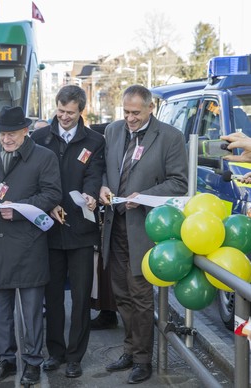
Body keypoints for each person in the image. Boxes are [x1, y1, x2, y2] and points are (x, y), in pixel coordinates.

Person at [99, 85, 188, 384]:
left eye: (136, 113)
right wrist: (102, 188)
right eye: (125, 112)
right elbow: (105, 169)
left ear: (151, 108)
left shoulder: (170, 137)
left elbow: (179, 183)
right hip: (115, 225)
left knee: (139, 295)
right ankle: (129, 349)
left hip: (144, 227)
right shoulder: (112, 131)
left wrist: (146, 196)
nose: (130, 118)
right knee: (121, 293)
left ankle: (142, 359)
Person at [0, 106, 61, 385]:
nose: (6, 139)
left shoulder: (43, 157)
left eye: (12, 134)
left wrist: (20, 209)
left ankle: (33, 361)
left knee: (32, 312)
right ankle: (5, 359)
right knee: (1, 311)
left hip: (28, 244)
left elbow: (52, 193)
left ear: (25, 131)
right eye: (2, 134)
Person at [31, 85, 105, 378]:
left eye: (70, 113)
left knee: (80, 296)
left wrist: (89, 194)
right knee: (52, 297)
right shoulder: (40, 138)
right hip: (48, 230)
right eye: (60, 111)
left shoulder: (95, 141)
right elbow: (36, 180)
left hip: (81, 231)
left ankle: (75, 355)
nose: (63, 117)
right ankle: (56, 352)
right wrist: (49, 206)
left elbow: (94, 173)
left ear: (80, 111)